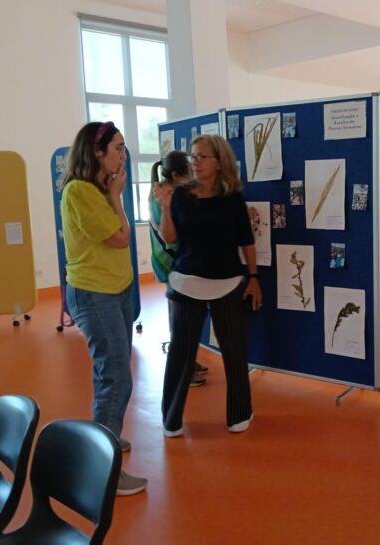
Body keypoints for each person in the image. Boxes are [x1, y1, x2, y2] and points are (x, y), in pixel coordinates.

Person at [60, 121, 147, 496]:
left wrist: (113, 195)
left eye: (124, 148)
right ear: (96, 152)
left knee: (110, 370)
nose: (123, 155)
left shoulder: (99, 189)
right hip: (96, 294)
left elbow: (121, 236)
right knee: (117, 376)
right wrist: (115, 196)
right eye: (118, 148)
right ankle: (104, 470)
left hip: (116, 290)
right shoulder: (80, 191)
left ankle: (103, 434)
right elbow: (121, 237)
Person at [155, 134, 261, 437]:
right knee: (181, 353)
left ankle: (239, 414)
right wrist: (166, 207)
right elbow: (170, 238)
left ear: (219, 162)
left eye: (202, 157)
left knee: (235, 352)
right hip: (186, 283)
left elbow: (246, 241)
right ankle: (171, 419)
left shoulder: (233, 198)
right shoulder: (181, 195)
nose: (196, 162)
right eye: (193, 156)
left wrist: (254, 278)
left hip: (228, 283)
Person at [149, 151, 208, 387]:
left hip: (171, 262)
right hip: (171, 262)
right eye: (189, 172)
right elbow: (172, 237)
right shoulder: (165, 196)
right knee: (179, 320)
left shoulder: (163, 191)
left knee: (181, 317)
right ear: (176, 175)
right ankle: (183, 370)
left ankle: (188, 361)